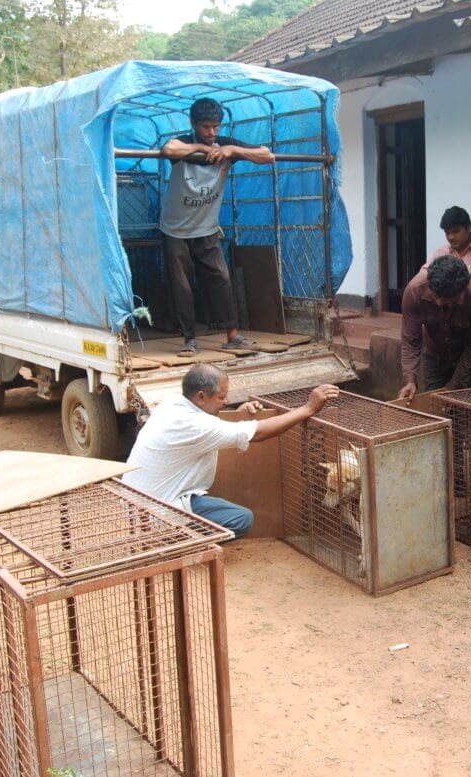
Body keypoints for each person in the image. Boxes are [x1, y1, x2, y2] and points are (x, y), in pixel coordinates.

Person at [124, 364, 340, 539]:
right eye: (221, 397)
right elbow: (258, 433)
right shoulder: (196, 425)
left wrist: (237, 414)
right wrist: (308, 408)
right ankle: (178, 542)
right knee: (241, 519)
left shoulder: (172, 405)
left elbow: (211, 426)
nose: (226, 401)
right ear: (200, 397)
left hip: (135, 506)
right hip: (156, 513)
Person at [160, 98, 276, 356]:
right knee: (181, 286)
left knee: (221, 279)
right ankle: (189, 339)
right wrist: (201, 148)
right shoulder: (184, 142)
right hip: (175, 230)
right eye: (206, 127)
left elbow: (267, 155)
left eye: (216, 127)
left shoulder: (225, 144)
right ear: (193, 124)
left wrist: (231, 151)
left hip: (207, 229)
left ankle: (232, 336)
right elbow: (169, 149)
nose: (212, 132)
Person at [397, 255, 471, 401]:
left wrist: (453, 387)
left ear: (461, 292)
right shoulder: (414, 291)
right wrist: (410, 379)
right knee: (435, 406)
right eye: (435, 296)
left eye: (447, 299)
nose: (439, 303)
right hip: (436, 355)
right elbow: (410, 341)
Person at [421, 206, 471, 289]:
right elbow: (420, 281)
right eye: (447, 233)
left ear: (468, 228)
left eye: (455, 231)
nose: (451, 237)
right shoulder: (440, 254)